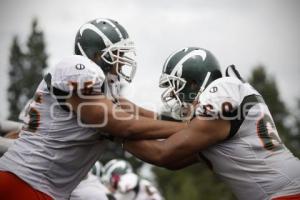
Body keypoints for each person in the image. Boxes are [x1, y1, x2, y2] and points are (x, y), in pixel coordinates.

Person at [0, 18, 185, 200]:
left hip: (37, 187)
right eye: (118, 54)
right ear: (97, 55)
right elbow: (124, 124)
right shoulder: (78, 69)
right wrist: (186, 128)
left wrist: (195, 129)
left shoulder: (103, 95)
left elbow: (156, 148)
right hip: (22, 182)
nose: (122, 62)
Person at [124, 47, 300, 200]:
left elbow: (163, 153)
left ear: (194, 84)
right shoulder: (213, 120)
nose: (174, 96)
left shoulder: (221, 92)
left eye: (176, 87)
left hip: (287, 193)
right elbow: (174, 160)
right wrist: (130, 111)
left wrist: (113, 131)